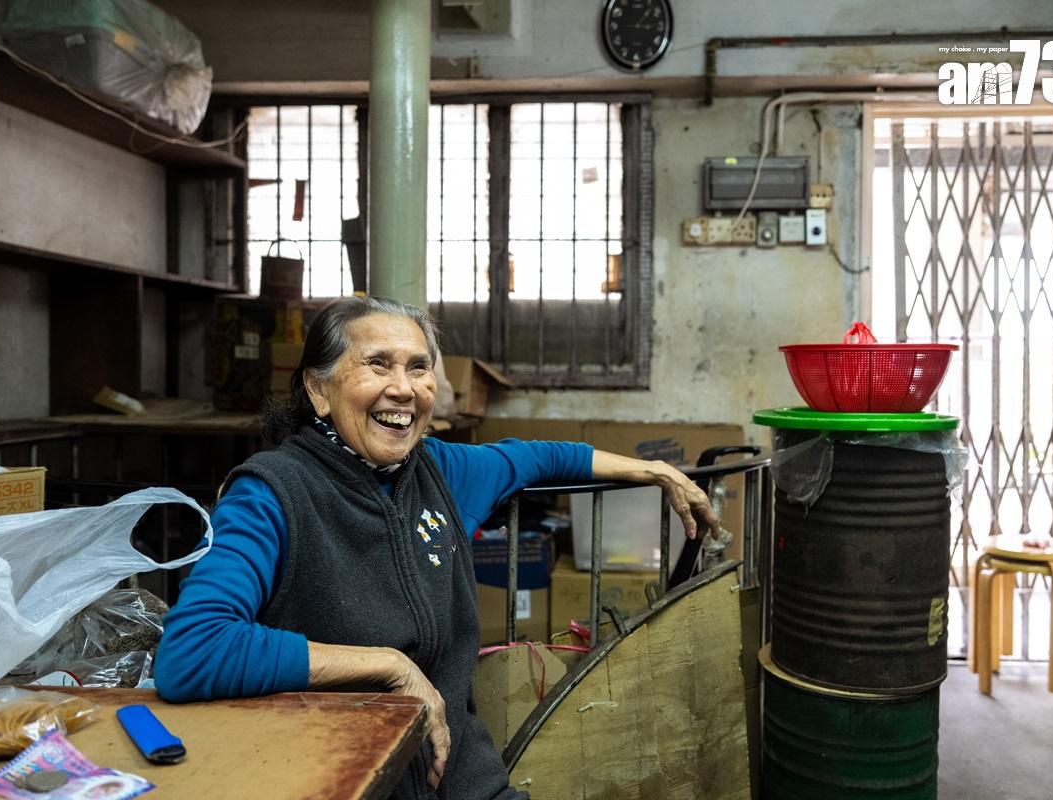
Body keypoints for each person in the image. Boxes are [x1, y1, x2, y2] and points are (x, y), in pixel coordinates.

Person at [154, 296, 720, 800]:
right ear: (318, 389)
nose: (403, 388)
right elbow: (193, 650)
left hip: (463, 778)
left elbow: (540, 457)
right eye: (377, 364)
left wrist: (652, 470)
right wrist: (389, 668)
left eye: (419, 367)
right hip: (340, 776)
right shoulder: (273, 493)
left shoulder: (439, 471)